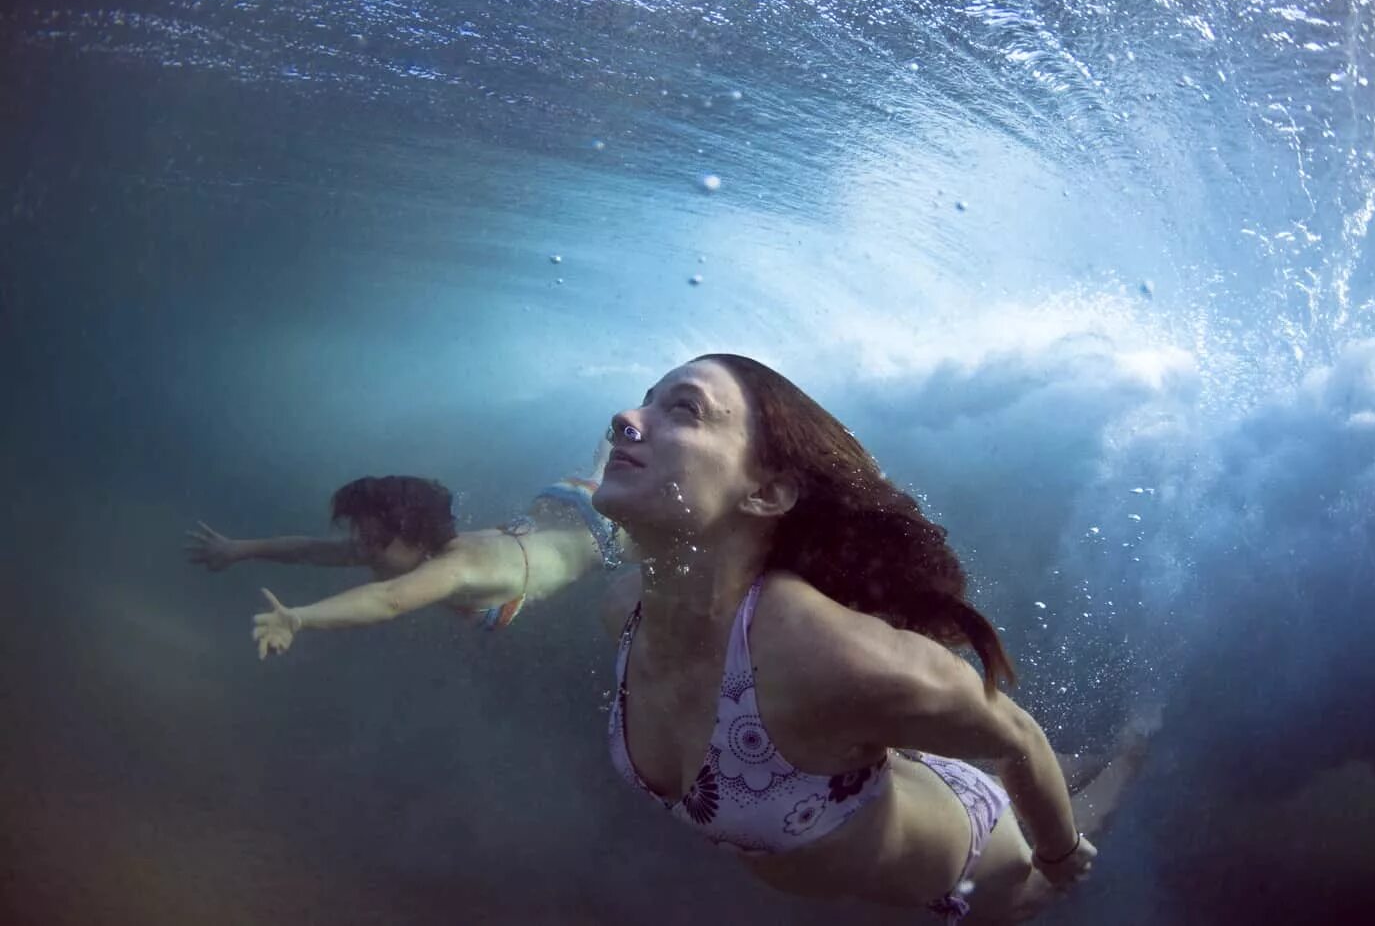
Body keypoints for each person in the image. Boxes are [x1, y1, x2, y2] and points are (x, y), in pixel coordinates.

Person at [590, 354, 1149, 923]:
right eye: (646, 398)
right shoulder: (624, 612)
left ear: (767, 493)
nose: (625, 418)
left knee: (1047, 879)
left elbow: (1018, 738)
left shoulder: (836, 657)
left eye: (684, 409)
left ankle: (1132, 753)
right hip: (872, 780)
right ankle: (1088, 761)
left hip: (975, 859)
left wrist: (1061, 854)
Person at [186, 454, 618, 658]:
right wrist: (239, 549)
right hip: (550, 510)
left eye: (374, 541)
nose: (362, 550)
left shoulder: (456, 567)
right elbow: (312, 549)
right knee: (611, 451)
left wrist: (298, 618)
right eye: (363, 538)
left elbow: (389, 599)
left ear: (416, 539)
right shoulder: (417, 549)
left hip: (599, 533)